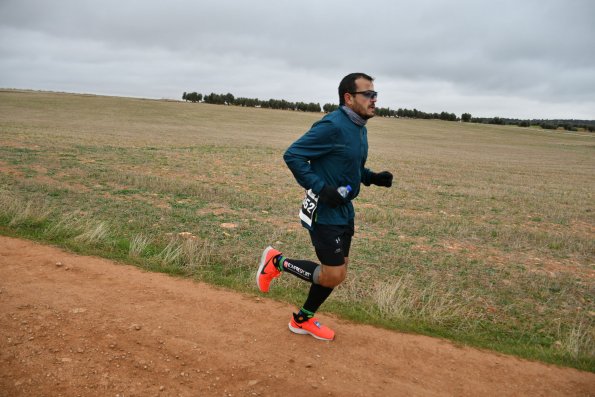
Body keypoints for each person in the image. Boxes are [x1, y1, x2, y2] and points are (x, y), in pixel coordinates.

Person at [256, 72, 393, 341]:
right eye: (369, 94)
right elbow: (293, 155)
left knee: (337, 273)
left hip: (344, 209)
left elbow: (348, 166)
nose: (374, 99)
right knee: (332, 273)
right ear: (349, 97)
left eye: (376, 94)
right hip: (324, 210)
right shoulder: (332, 125)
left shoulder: (359, 127)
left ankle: (301, 319)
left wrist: (371, 177)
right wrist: (321, 188)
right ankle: (277, 262)